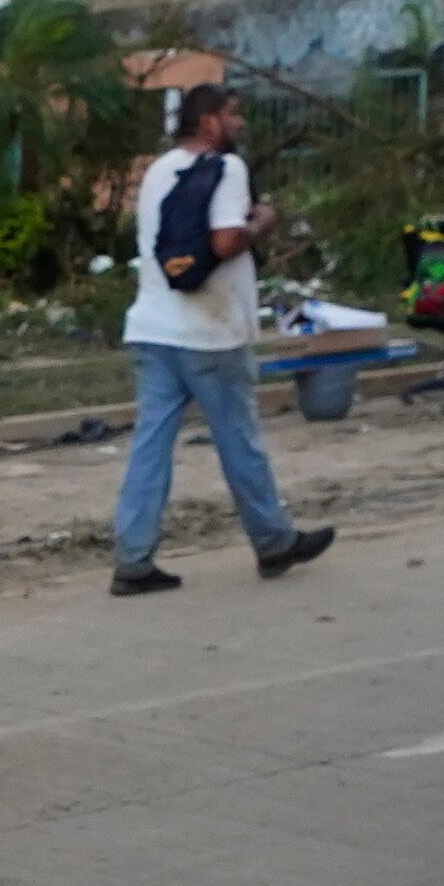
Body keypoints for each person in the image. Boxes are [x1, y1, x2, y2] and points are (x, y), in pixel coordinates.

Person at [108, 83, 334, 595]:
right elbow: (226, 241)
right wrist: (262, 223)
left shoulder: (158, 172)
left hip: (151, 328)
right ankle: (274, 541)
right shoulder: (228, 170)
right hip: (210, 334)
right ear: (208, 121)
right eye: (233, 115)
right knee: (240, 442)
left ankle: (133, 557)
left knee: (151, 446)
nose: (240, 124)